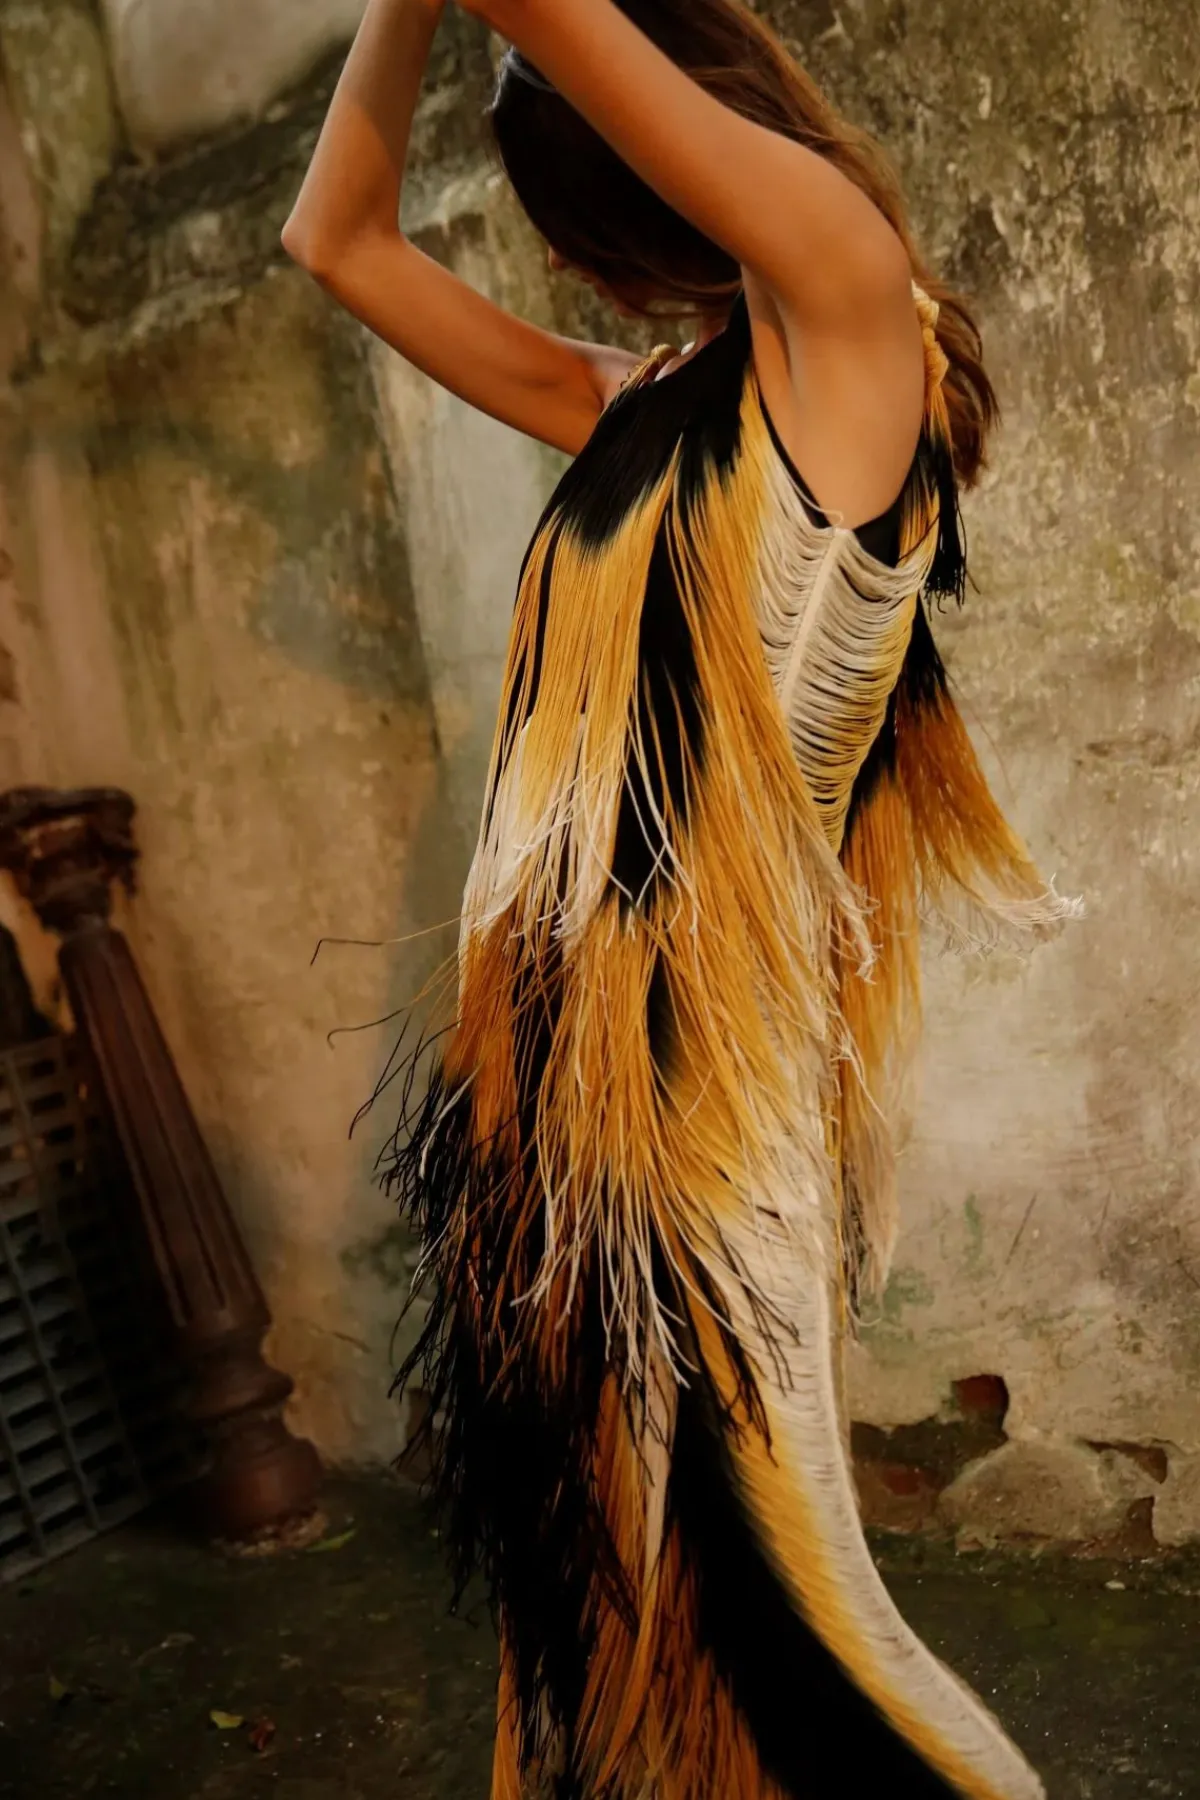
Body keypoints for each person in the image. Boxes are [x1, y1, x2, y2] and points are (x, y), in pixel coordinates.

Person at [286, 2, 1076, 1794]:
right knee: (582, 1637)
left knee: (799, 1635)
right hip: (540, 1119)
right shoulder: (632, 403)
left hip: (706, 1121)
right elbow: (334, 241)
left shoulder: (851, 312)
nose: (578, 258)